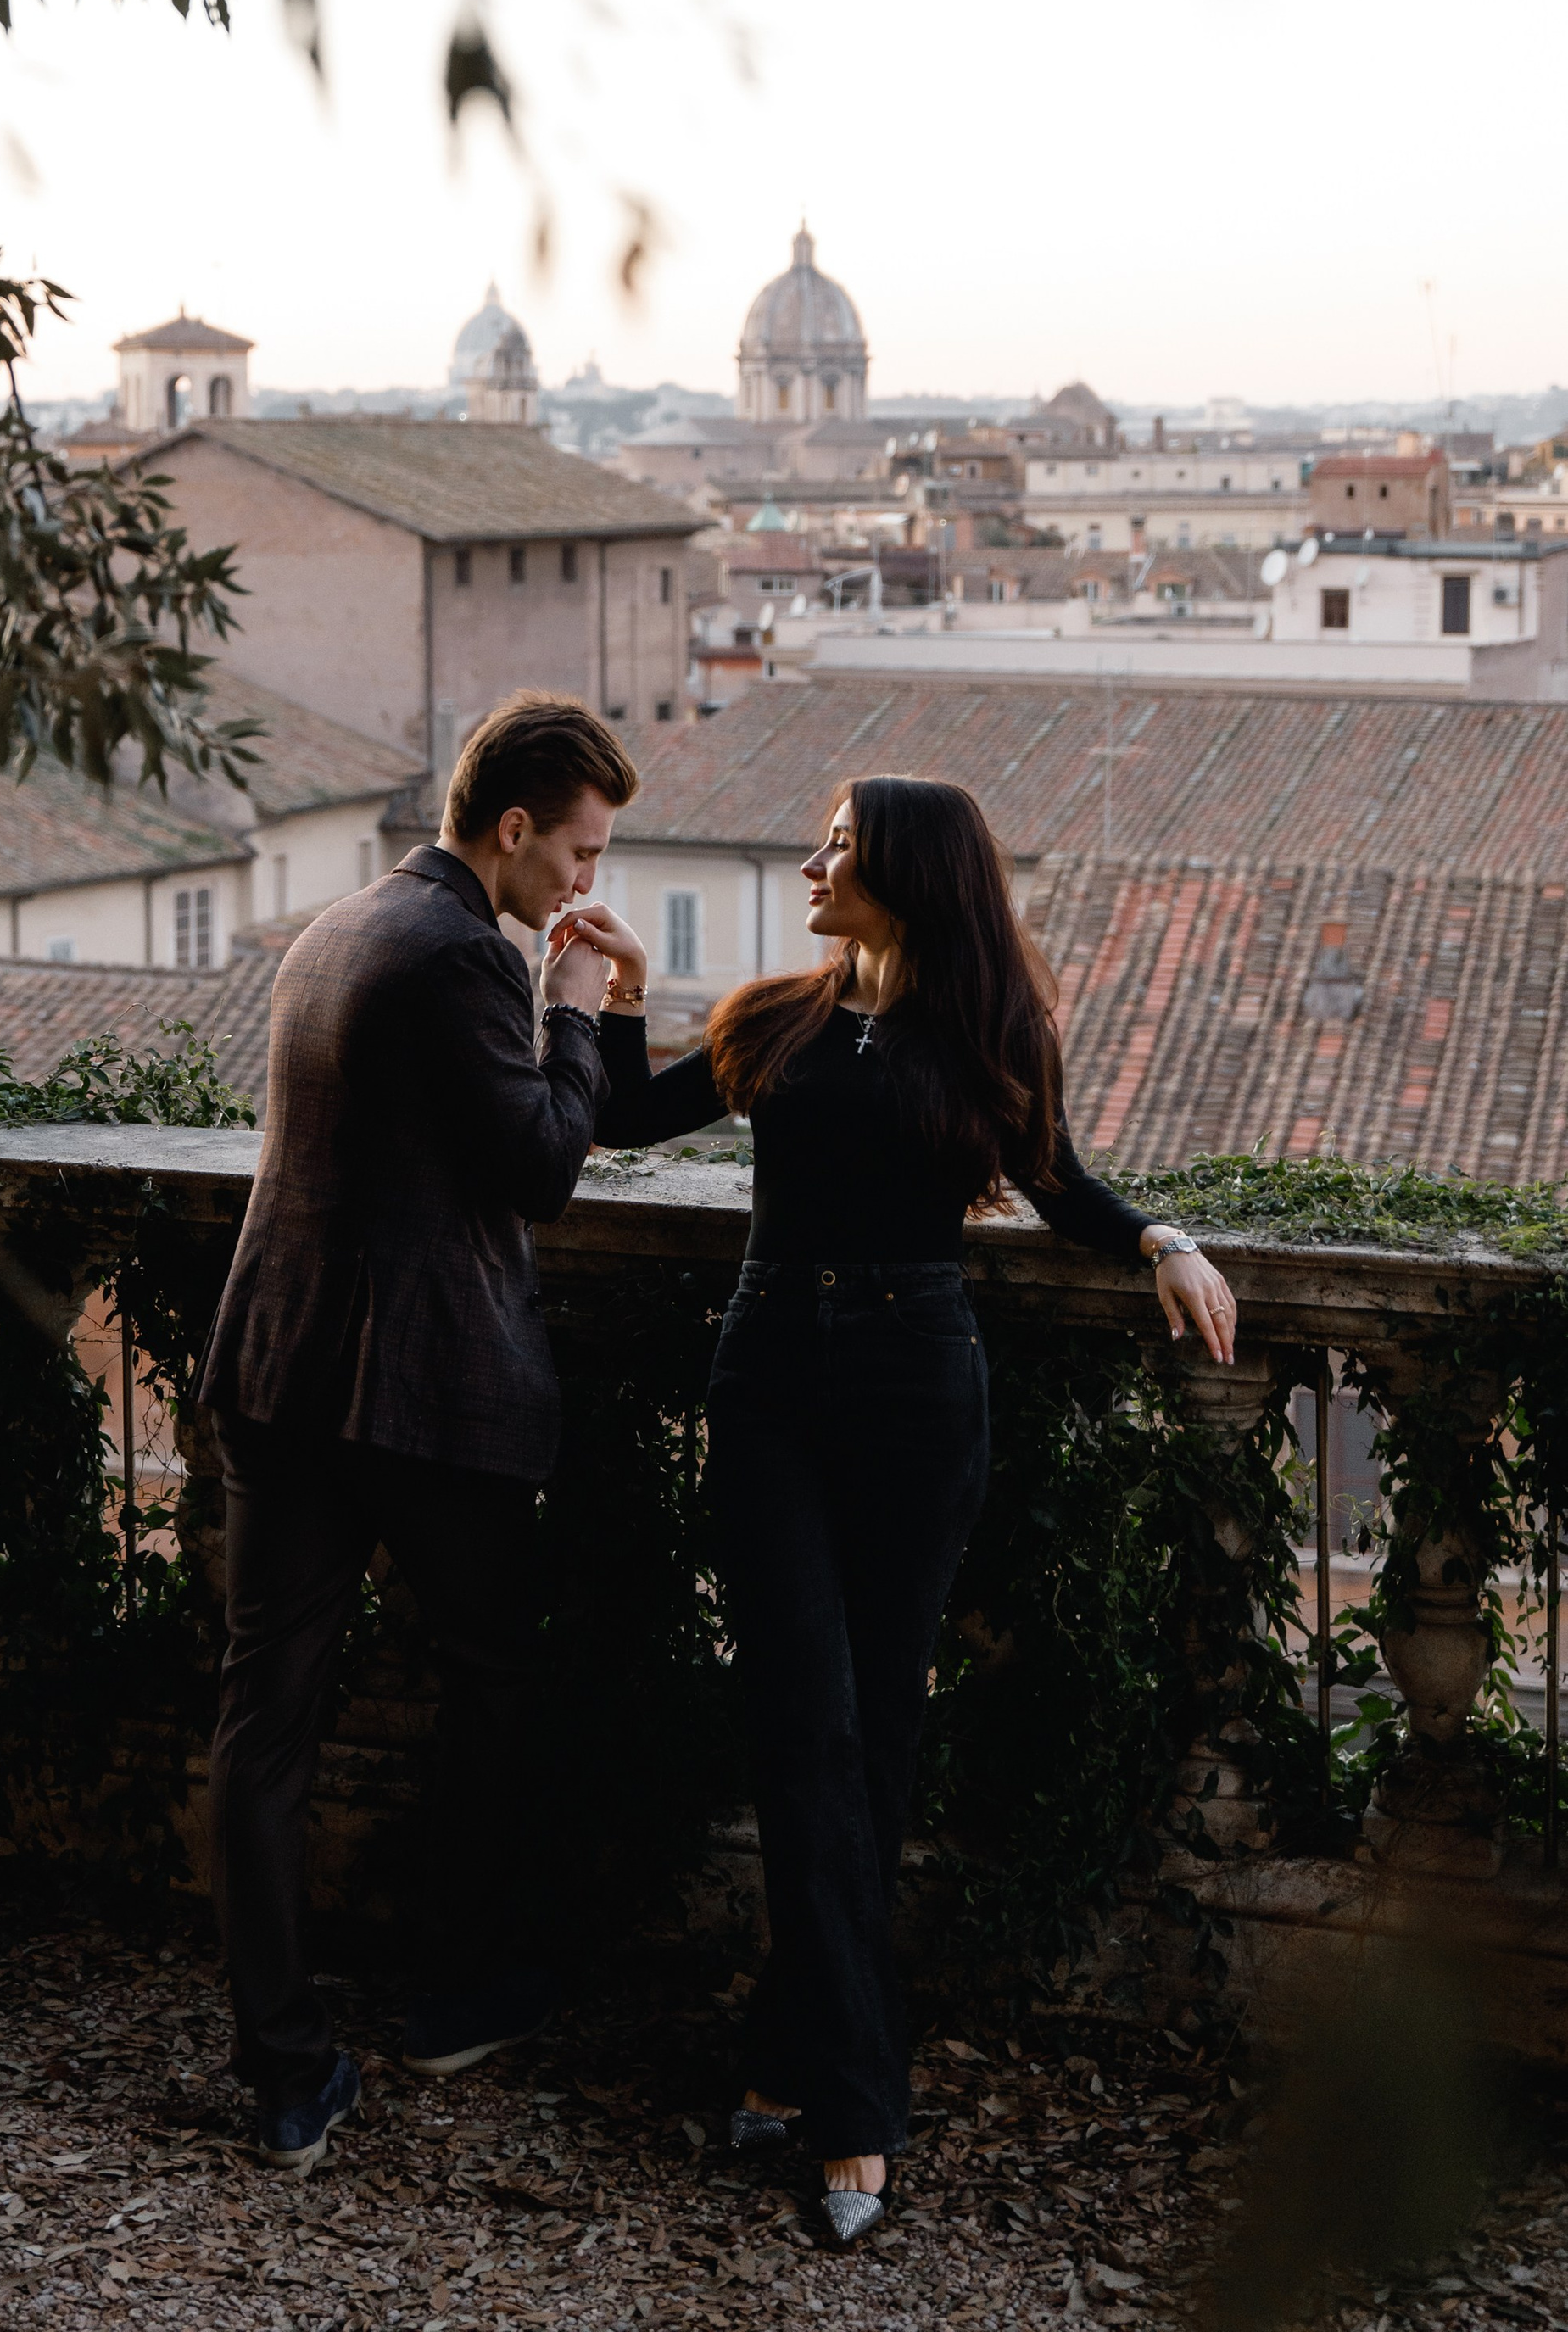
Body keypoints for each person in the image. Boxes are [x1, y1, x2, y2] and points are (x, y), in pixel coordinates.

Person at [555, 773, 1237, 2247]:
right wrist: (618, 989)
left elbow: (1057, 1180)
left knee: (876, 1734)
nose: (811, 863)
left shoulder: (991, 1033)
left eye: (840, 849)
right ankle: (859, 2103)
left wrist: (1165, 1242)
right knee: (804, 1724)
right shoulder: (771, 1017)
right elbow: (613, 1120)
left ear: (910, 874)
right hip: (772, 1377)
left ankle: (796, 2059)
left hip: (920, 1387)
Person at [195, 689, 640, 2173]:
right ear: (512, 831)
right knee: (494, 1686)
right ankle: (455, 1991)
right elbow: (537, 1167)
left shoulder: (340, 924)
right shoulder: (462, 951)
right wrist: (576, 1016)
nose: (585, 884)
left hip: (279, 1370)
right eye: (576, 854)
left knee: (265, 1729)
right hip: (414, 1393)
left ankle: (285, 2065)